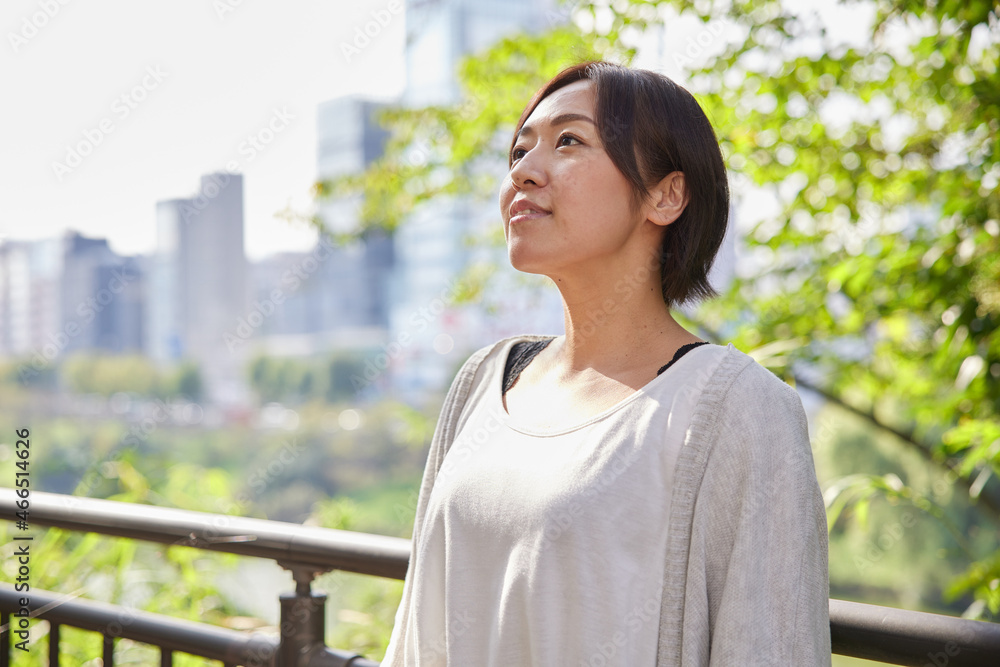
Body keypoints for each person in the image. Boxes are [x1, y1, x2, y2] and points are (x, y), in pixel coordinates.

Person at [381, 61, 830, 666]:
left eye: (569, 141)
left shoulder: (734, 407)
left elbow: (773, 648)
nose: (523, 173)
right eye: (519, 150)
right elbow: (416, 639)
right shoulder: (484, 382)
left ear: (665, 195)